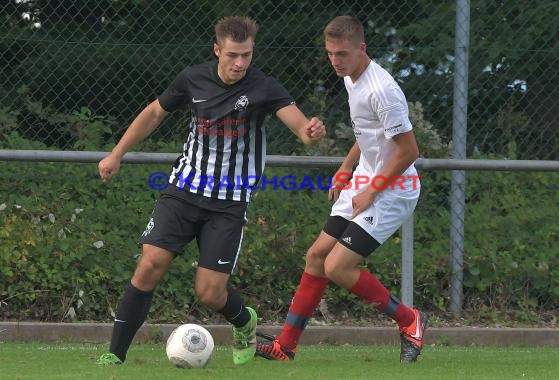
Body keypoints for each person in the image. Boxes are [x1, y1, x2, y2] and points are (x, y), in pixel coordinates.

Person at [96, 15, 326, 366]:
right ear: (217, 50)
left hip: (229, 202)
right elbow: (155, 113)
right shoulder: (192, 79)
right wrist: (117, 153)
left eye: (246, 55)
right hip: (184, 189)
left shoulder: (264, 87)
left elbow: (297, 124)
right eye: (232, 55)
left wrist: (309, 132)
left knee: (209, 292)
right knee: (149, 263)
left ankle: (244, 321)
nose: (239, 63)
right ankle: (114, 356)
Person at [255, 15, 427, 363]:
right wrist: (346, 168)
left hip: (394, 188)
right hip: (366, 179)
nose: (335, 60)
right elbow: (368, 133)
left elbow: (409, 151)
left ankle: (410, 320)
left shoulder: (383, 90)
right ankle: (285, 346)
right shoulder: (352, 78)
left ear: (362, 48)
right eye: (330, 52)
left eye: (342, 53)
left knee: (338, 267)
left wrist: (372, 190)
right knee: (317, 256)